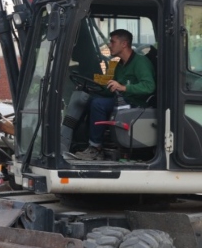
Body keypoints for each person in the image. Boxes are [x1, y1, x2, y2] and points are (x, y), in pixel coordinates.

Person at [63, 29, 156, 160]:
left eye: (113, 42)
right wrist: (93, 88)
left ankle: (96, 148)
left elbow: (149, 86)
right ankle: (79, 142)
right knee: (90, 100)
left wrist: (124, 87)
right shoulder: (119, 65)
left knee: (98, 104)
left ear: (124, 44)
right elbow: (112, 89)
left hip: (136, 104)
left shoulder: (140, 63)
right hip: (122, 100)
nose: (109, 45)